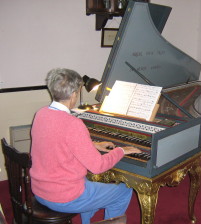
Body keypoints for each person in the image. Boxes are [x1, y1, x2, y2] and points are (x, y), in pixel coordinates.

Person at [30, 68, 141, 224]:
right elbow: (98, 166)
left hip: (41, 191)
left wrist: (93, 145)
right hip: (64, 197)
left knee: (88, 183)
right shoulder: (73, 124)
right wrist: (121, 150)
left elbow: (56, 143)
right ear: (74, 93)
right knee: (123, 191)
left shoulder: (41, 114)